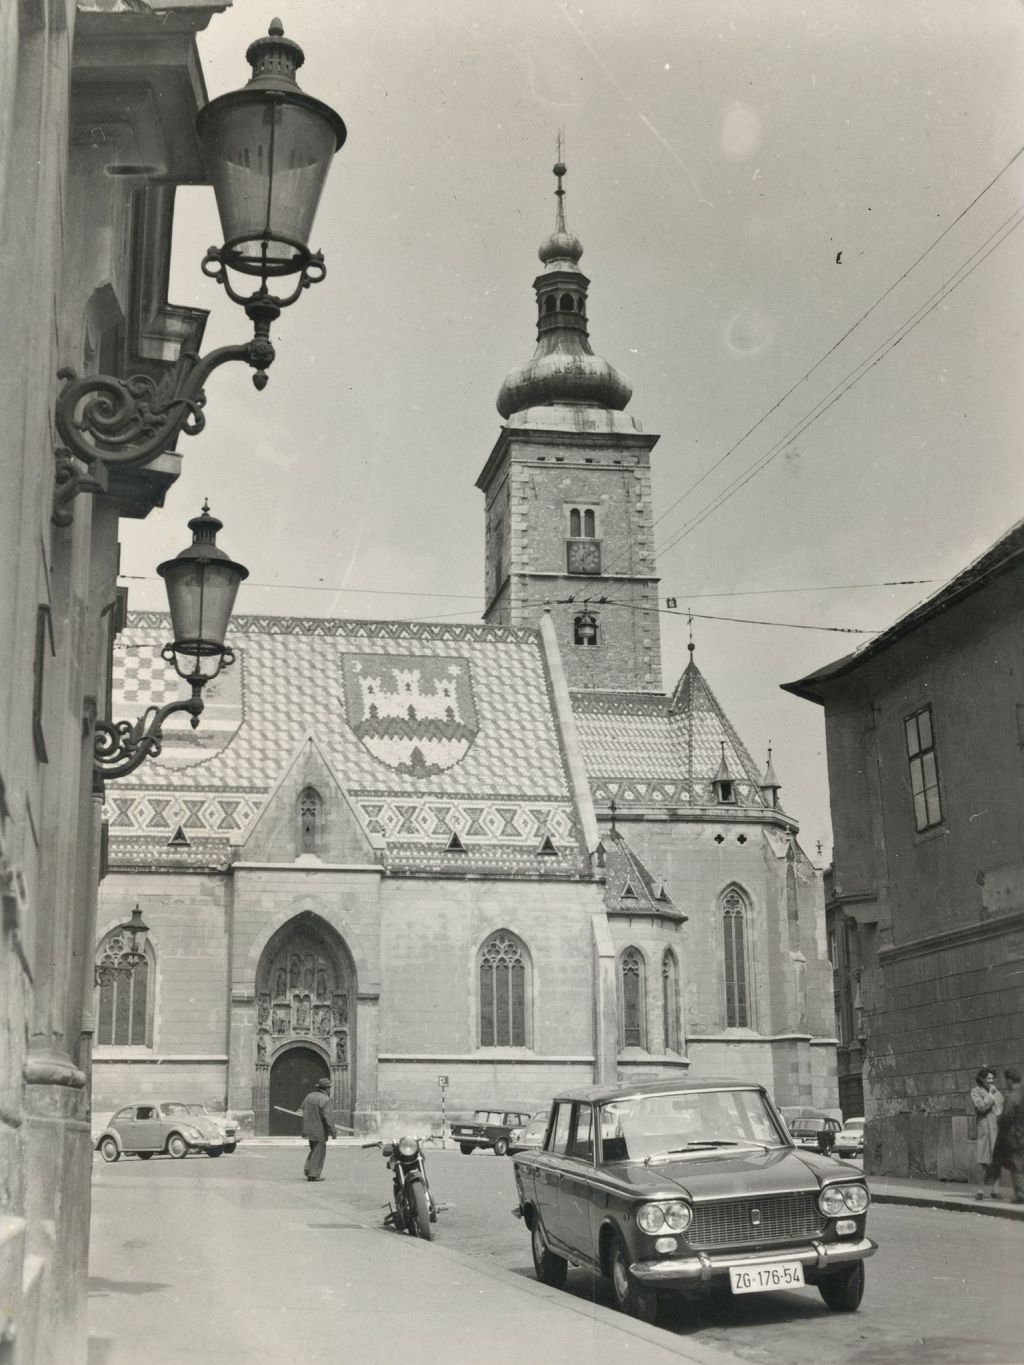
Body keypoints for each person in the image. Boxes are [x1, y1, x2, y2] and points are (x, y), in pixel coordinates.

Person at [969, 1066, 1003, 1199]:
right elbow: (981, 1106)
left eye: (992, 1078)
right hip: (985, 1128)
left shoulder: (997, 1092)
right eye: (988, 1078)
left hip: (997, 1128)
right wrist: (990, 1095)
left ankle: (995, 1190)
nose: (991, 1080)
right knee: (984, 1161)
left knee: (997, 1160)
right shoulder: (975, 1091)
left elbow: (1001, 1107)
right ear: (982, 1079)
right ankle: (980, 1190)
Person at [995, 1067, 1023, 1204]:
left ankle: (1022, 1194)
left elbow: (1006, 1118)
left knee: (1016, 1166)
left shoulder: (1012, 1097)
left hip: (1016, 1137)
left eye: (1006, 1081)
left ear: (1010, 1081)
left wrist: (999, 1119)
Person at [301, 1076, 337, 1181]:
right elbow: (328, 1118)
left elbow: (301, 1109)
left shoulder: (309, 1096)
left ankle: (309, 1171)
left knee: (314, 1151)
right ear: (326, 1088)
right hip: (319, 1130)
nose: (330, 1090)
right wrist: (333, 1132)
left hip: (309, 1129)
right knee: (319, 1152)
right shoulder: (325, 1099)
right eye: (329, 1088)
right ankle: (313, 1174)